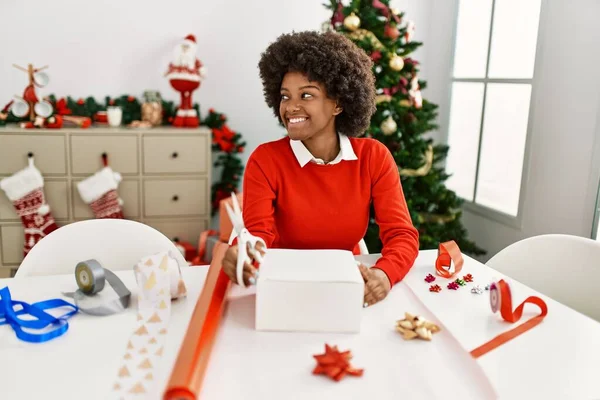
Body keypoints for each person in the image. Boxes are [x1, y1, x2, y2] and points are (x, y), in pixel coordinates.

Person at [222, 30, 419, 307]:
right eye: (285, 96)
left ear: (338, 103)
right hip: (282, 286)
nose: (291, 107)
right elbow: (257, 234)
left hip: (345, 285)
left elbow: (401, 234)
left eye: (306, 95)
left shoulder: (374, 157)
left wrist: (384, 274)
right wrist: (241, 254)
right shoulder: (265, 160)